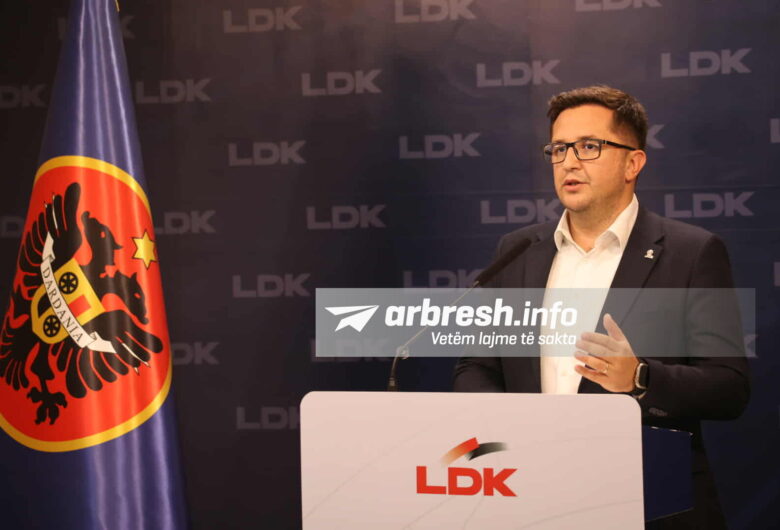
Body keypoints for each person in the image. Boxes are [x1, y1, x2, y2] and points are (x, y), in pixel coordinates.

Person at [453, 85, 749, 529]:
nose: (569, 162)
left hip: (648, 499)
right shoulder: (517, 250)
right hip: (531, 495)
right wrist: (511, 430)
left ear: (633, 163)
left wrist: (639, 377)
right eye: (559, 148)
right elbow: (476, 366)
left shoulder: (692, 252)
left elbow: (729, 388)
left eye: (589, 146)